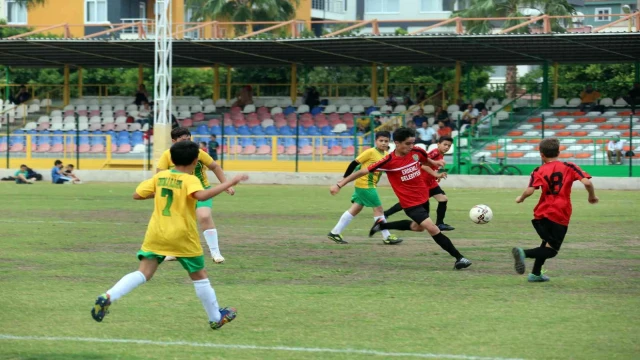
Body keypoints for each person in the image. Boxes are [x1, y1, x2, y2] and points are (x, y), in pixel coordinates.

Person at [91, 140, 248, 329]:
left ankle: (108, 296)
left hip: (156, 233)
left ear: (172, 159)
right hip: (182, 235)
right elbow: (201, 196)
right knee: (200, 275)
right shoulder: (191, 179)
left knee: (144, 272)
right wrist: (230, 182)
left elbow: (137, 194)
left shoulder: (161, 176)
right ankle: (216, 317)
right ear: (195, 161)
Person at [330, 127, 472, 270]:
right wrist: (340, 184)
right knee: (433, 229)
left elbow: (425, 160)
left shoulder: (416, 151)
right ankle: (460, 258)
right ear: (397, 143)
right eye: (407, 144)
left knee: (418, 228)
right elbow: (362, 171)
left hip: (423, 198)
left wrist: (434, 163)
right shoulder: (388, 160)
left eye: (412, 143)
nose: (411, 147)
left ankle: (383, 225)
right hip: (410, 203)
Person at [511, 138, 598, 282]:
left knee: (546, 242)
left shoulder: (538, 170)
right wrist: (592, 197)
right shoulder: (569, 166)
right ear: (559, 151)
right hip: (559, 213)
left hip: (541, 214)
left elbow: (530, 190)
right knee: (551, 250)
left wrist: (521, 198)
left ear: (541, 155)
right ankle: (523, 253)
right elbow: (587, 182)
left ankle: (536, 274)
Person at [157, 127, 234, 264]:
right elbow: (160, 175)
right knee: (177, 222)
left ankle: (215, 253)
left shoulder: (198, 153)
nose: (187, 143)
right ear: (174, 141)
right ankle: (174, 251)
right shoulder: (167, 155)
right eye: (182, 140)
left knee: (204, 216)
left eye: (188, 139)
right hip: (180, 194)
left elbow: (215, 167)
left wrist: (225, 184)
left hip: (201, 190)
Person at [327, 131, 402, 245]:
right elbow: (354, 164)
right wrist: (344, 179)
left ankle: (335, 232)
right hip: (365, 184)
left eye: (386, 141)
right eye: (381, 141)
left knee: (355, 209)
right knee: (379, 209)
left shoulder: (386, 155)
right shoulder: (370, 152)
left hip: (368, 184)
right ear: (375, 141)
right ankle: (387, 237)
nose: (383, 143)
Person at [382, 136, 455, 231]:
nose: (447, 147)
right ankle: (386, 214)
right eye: (445, 144)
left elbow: (432, 166)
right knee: (409, 203)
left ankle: (440, 223)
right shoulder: (434, 153)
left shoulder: (440, 154)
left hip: (431, 183)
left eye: (449, 146)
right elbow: (423, 165)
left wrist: (435, 176)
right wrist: (436, 174)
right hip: (423, 184)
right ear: (438, 144)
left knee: (443, 199)